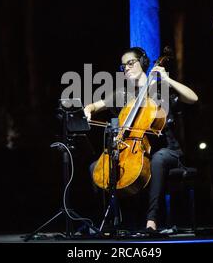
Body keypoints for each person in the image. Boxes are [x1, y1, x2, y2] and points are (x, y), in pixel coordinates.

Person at [84, 47, 198, 230]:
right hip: (134, 150)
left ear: (143, 63)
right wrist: (88, 110)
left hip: (166, 149)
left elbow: (193, 98)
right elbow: (95, 106)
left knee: (157, 160)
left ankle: (151, 220)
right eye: (123, 66)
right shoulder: (123, 93)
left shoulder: (161, 89)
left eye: (130, 63)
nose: (126, 68)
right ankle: (111, 221)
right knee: (96, 168)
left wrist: (167, 79)